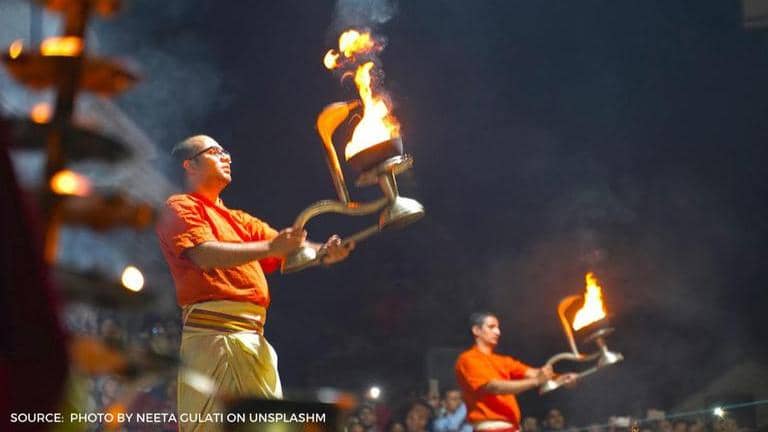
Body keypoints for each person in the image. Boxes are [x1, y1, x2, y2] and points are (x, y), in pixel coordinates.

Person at [156, 135, 353, 431]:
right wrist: (271, 248)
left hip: (253, 339)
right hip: (214, 340)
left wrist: (323, 252)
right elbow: (204, 255)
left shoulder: (240, 220)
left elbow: (288, 250)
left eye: (226, 151)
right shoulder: (178, 207)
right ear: (190, 165)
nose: (227, 157)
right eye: (215, 151)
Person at [454, 312, 576, 432]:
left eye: (498, 328)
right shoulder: (468, 359)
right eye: (491, 327)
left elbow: (536, 373)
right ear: (476, 330)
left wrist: (562, 378)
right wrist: (537, 381)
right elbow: (493, 386)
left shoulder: (503, 361)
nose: (497, 332)